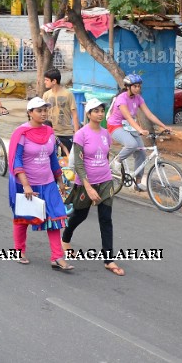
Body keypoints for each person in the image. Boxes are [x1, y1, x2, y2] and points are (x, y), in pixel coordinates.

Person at [61, 98, 124, 276]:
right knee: (80, 215)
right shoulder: (81, 134)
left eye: (101, 111)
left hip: (105, 180)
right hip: (85, 183)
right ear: (88, 114)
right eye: (95, 111)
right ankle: (65, 238)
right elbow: (79, 164)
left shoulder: (106, 133)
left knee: (106, 218)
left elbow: (104, 157)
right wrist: (88, 187)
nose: (99, 113)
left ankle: (108, 259)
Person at [8, 97, 72, 270]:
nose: (43, 113)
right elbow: (17, 161)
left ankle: (57, 257)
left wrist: (59, 179)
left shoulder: (49, 132)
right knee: (23, 219)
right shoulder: (21, 133)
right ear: (30, 113)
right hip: (27, 184)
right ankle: (19, 250)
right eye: (39, 110)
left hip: (48, 183)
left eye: (45, 110)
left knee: (56, 217)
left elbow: (52, 157)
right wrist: (26, 185)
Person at [108, 74, 169, 191]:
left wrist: (164, 126)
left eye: (139, 86)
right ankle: (117, 160)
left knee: (141, 153)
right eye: (135, 86)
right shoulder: (122, 99)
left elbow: (149, 114)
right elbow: (129, 118)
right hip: (116, 126)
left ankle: (138, 183)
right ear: (128, 87)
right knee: (131, 144)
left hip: (130, 127)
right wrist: (140, 130)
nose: (138, 89)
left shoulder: (138, 98)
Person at [43, 68, 79, 152]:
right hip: (51, 133)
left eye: (47, 80)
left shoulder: (68, 94)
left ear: (54, 81)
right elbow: (43, 115)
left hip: (66, 133)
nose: (45, 82)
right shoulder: (46, 95)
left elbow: (75, 115)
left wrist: (77, 134)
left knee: (67, 160)